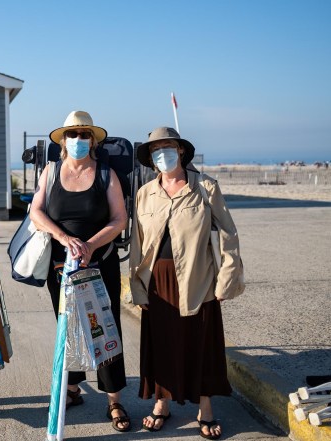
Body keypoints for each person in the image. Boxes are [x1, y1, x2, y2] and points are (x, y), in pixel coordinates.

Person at [129, 127, 244, 440]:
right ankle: (161, 403)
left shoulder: (205, 186)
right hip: (157, 279)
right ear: (151, 158)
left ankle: (204, 408)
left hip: (198, 277)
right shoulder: (145, 193)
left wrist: (225, 281)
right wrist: (137, 286)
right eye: (156, 150)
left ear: (180, 151)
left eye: (168, 147)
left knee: (201, 343)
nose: (162, 154)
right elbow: (137, 244)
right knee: (161, 342)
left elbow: (229, 235)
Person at [29, 111, 131, 432]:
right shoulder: (51, 171)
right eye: (72, 135)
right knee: (67, 328)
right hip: (60, 268)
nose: (78, 140)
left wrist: (89, 245)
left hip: (100, 265)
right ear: (63, 141)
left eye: (84, 134)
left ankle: (114, 399)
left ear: (93, 140)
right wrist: (64, 237)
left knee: (105, 327)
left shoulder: (106, 173)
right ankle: (72, 389)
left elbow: (119, 219)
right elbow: (36, 211)